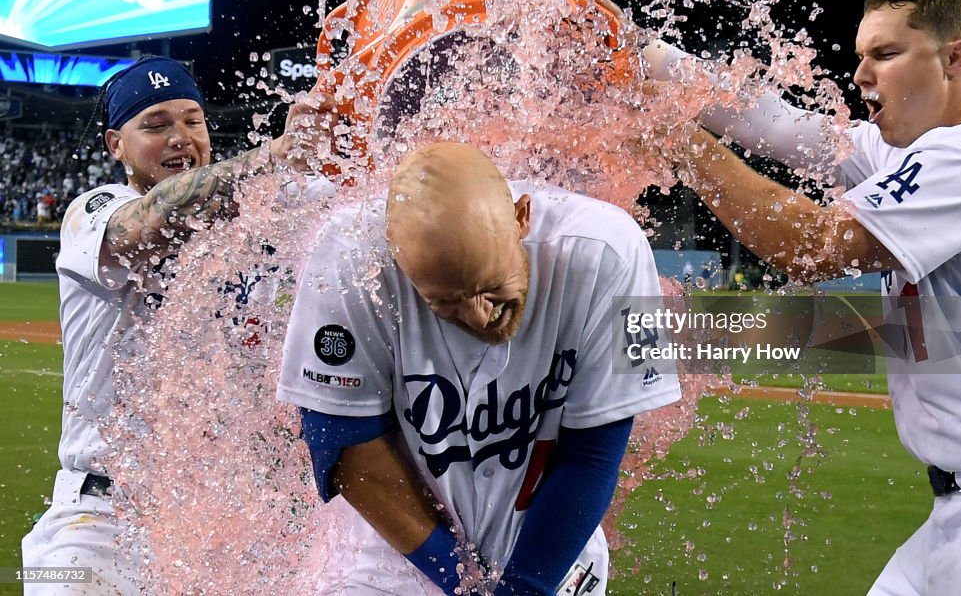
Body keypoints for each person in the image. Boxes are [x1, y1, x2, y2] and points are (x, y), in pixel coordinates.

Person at [651, 0, 961, 595]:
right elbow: (774, 124)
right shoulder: (917, 154)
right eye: (860, 56)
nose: (861, 74)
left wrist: (677, 143)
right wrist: (635, 52)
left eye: (885, 54)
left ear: (955, 58)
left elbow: (812, 246)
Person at [276, 140, 682, 595]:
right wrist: (462, 583)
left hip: (554, 563)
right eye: (444, 300)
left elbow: (593, 453)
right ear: (397, 259)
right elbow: (345, 446)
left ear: (521, 217)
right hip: (393, 563)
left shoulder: (612, 248)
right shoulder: (350, 258)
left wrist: (524, 588)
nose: (478, 316)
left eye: (490, 286)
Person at [21, 54, 336, 595]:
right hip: (94, 520)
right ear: (114, 145)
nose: (180, 137)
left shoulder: (259, 206)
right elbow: (146, 225)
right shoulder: (93, 210)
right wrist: (280, 154)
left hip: (212, 519)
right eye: (156, 124)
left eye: (193, 120)